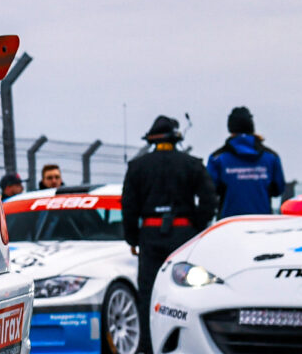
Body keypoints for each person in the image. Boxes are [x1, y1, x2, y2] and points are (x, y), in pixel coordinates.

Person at [122, 115, 217, 308]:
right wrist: (196, 228)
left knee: (149, 293)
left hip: (150, 236)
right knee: (186, 290)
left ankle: (149, 338)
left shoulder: (137, 166)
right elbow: (209, 199)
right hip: (183, 236)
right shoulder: (192, 164)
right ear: (175, 139)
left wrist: (133, 238)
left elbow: (129, 207)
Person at [205, 106, 285, 219]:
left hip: (228, 225)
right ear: (251, 127)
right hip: (263, 224)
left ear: (230, 129)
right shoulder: (271, 157)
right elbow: (278, 189)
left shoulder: (217, 158)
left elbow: (209, 192)